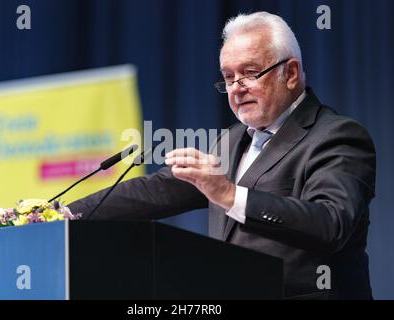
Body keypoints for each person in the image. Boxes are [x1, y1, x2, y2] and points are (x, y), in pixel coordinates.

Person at [68, 12, 376, 299]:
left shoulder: (337, 136)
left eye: (250, 73)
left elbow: (331, 223)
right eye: (228, 78)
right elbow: (154, 192)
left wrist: (229, 194)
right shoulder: (230, 140)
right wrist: (58, 215)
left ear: (291, 73)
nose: (236, 89)